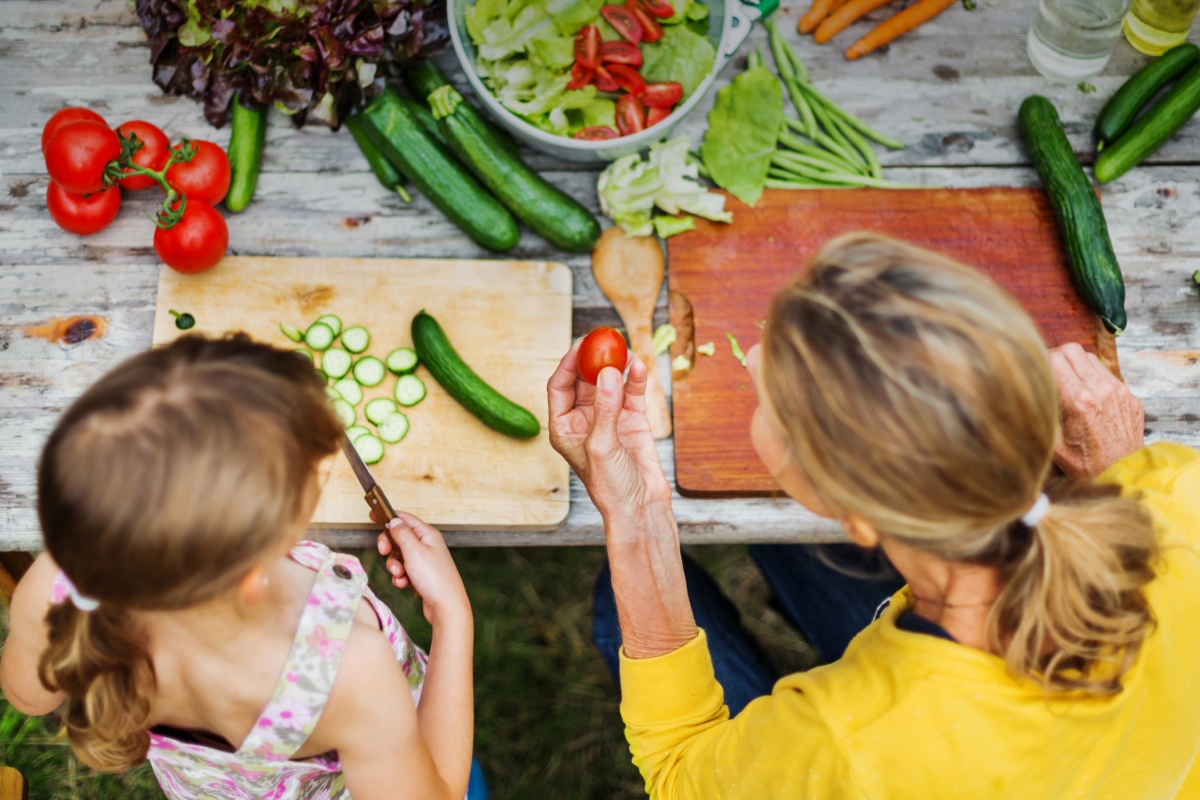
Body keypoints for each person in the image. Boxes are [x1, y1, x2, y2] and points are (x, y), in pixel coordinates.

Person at [546, 232, 1200, 798]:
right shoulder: (1178, 499)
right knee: (780, 556)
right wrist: (1122, 473)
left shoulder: (845, 745)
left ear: (851, 521)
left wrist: (633, 515)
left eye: (768, 400)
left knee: (614, 607)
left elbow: (680, 771)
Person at [0, 334, 478, 800]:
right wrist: (452, 617)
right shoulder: (352, 672)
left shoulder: (56, 585)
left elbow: (28, 695)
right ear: (252, 574)